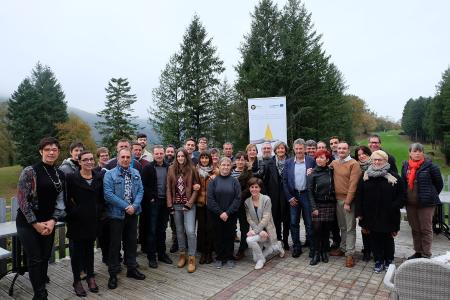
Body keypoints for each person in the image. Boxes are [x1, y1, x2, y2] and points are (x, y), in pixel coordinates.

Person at [16, 137, 66, 300]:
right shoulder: (30, 171)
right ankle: (40, 294)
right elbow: (22, 200)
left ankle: (40, 283)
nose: (51, 152)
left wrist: (53, 221)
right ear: (41, 151)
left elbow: (60, 201)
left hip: (48, 222)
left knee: (45, 256)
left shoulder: (59, 174)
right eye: (47, 149)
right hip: (27, 223)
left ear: (58, 152)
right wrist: (35, 224)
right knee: (35, 258)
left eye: (54, 149)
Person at [356, 150, 405, 273]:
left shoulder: (394, 177)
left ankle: (389, 260)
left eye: (380, 160)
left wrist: (394, 206)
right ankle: (378, 260)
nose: (377, 162)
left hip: (389, 215)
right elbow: (359, 195)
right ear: (371, 161)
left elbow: (402, 195)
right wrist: (360, 213)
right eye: (375, 160)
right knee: (375, 238)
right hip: (371, 215)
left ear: (385, 161)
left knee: (388, 238)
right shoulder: (365, 176)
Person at [103, 147, 145, 289]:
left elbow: (140, 190)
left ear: (131, 158)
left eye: (128, 157)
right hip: (116, 215)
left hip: (133, 214)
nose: (126, 159)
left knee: (131, 242)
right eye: (123, 157)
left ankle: (131, 269)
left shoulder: (136, 173)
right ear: (118, 158)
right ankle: (113, 274)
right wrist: (126, 206)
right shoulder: (110, 175)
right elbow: (108, 194)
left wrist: (134, 206)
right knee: (115, 245)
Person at [66, 150, 103, 296]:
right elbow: (67, 199)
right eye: (85, 160)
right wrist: (75, 212)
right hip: (77, 222)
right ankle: (77, 281)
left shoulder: (98, 177)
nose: (89, 162)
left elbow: (101, 198)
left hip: (92, 221)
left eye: (91, 159)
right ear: (79, 162)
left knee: (90, 251)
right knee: (76, 253)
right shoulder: (71, 178)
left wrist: (99, 211)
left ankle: (90, 277)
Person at [401, 143, 443, 259]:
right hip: (410, 204)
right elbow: (404, 184)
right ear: (410, 153)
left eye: (420, 151)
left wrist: (429, 195)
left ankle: (426, 254)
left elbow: (439, 184)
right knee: (415, 228)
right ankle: (418, 251)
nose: (417, 153)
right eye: (415, 151)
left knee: (425, 229)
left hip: (426, 204)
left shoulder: (431, 167)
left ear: (423, 153)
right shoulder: (405, 166)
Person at [166, 148, 199, 273]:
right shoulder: (171, 169)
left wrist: (189, 204)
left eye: (182, 156)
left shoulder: (192, 169)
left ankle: (191, 257)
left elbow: (197, 188)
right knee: (179, 231)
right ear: (176, 157)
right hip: (176, 205)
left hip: (189, 205)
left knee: (190, 231)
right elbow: (168, 188)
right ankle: (182, 254)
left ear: (186, 157)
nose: (180, 158)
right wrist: (170, 205)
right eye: (178, 156)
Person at [329, 142, 361, 268]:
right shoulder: (335, 163)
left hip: (348, 201)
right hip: (337, 199)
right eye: (339, 148)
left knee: (350, 228)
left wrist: (348, 202)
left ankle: (350, 254)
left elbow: (353, 185)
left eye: (344, 148)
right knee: (342, 226)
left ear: (348, 150)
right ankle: (342, 248)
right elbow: (324, 166)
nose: (341, 150)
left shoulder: (354, 164)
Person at [283, 138, 316, 258]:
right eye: (296, 149)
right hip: (294, 196)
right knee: (293, 223)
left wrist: (313, 173)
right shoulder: (289, 162)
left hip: (307, 195)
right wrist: (289, 197)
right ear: (293, 149)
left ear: (305, 149)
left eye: (300, 149)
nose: (298, 151)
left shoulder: (311, 161)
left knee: (309, 223)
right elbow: (285, 181)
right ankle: (297, 247)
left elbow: (316, 176)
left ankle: (313, 248)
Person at [141, 145, 173, 268]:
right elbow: (144, 186)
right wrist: (151, 198)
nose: (159, 156)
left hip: (165, 202)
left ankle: (162, 254)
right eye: (157, 154)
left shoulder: (168, 167)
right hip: (153, 203)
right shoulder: (148, 168)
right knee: (152, 230)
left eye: (161, 153)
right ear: (153, 155)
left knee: (162, 229)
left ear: (164, 154)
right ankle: (151, 257)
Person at [207, 157, 241, 269]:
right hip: (216, 215)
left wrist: (227, 213)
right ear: (219, 166)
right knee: (218, 236)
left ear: (231, 166)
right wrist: (221, 213)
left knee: (229, 236)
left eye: (228, 165)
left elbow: (237, 198)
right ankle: (220, 257)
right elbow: (210, 199)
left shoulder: (235, 181)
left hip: (230, 214)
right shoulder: (213, 181)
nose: (225, 167)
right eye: (223, 165)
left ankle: (229, 257)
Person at [245, 177, 285, 270]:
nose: (254, 189)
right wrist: (258, 231)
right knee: (255, 258)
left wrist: (259, 230)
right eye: (252, 187)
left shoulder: (266, 199)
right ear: (249, 188)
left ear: (260, 188)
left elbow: (266, 217)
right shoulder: (247, 202)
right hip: (258, 231)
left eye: (256, 187)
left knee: (249, 240)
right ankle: (275, 247)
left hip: (267, 230)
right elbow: (249, 218)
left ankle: (262, 259)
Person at [307, 149, 336, 265]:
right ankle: (316, 253)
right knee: (317, 230)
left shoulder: (331, 171)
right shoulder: (312, 173)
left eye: (322, 157)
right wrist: (314, 208)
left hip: (329, 204)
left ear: (327, 160)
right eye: (317, 157)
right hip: (317, 205)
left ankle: (324, 252)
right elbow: (309, 191)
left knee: (325, 230)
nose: (319, 159)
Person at [196, 151, 218, 264]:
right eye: (202, 158)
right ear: (199, 159)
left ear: (209, 159)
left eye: (206, 158)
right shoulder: (196, 171)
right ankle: (203, 252)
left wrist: (216, 175)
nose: (204, 160)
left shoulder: (215, 171)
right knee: (201, 228)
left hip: (211, 204)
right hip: (200, 204)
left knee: (210, 228)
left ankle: (209, 252)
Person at [232, 152, 253, 260]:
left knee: (244, 227)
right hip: (230, 204)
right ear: (235, 160)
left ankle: (242, 249)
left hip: (243, 203)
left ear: (245, 161)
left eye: (242, 159)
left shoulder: (249, 173)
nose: (240, 162)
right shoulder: (229, 171)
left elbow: (249, 188)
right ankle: (230, 248)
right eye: (238, 159)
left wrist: (238, 197)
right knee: (231, 226)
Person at [270, 141, 291, 250]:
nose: (280, 150)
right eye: (278, 149)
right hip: (274, 196)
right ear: (275, 151)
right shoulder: (270, 162)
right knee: (276, 219)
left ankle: (286, 241)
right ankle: (279, 239)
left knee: (286, 219)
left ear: (285, 150)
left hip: (287, 194)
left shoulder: (291, 161)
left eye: (282, 148)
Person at [354, 145, 373, 262]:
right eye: (359, 155)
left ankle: (374, 249)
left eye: (363, 154)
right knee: (364, 228)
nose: (361, 156)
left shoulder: (375, 165)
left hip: (374, 202)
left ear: (368, 154)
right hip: (362, 201)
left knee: (374, 227)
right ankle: (366, 250)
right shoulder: (357, 167)